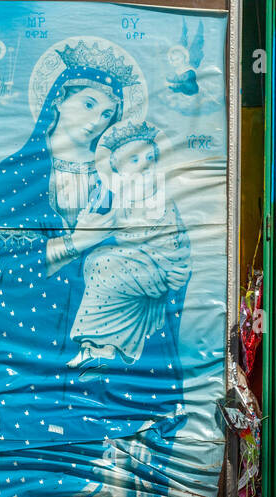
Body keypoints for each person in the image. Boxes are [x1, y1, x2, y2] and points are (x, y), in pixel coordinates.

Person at [0, 43, 187, 497]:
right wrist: (79, 242)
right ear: (58, 100)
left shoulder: (124, 177)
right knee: (46, 468)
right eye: (89, 103)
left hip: (113, 345)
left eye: (109, 112)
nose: (98, 120)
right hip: (34, 350)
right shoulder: (14, 175)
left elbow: (170, 252)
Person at [68, 121, 191, 372]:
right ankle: (102, 347)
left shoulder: (159, 197)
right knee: (95, 262)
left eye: (150, 158)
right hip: (135, 260)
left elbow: (166, 243)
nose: (145, 165)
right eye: (134, 160)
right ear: (118, 170)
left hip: (161, 265)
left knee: (105, 266)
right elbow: (104, 225)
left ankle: (100, 347)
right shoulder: (122, 196)